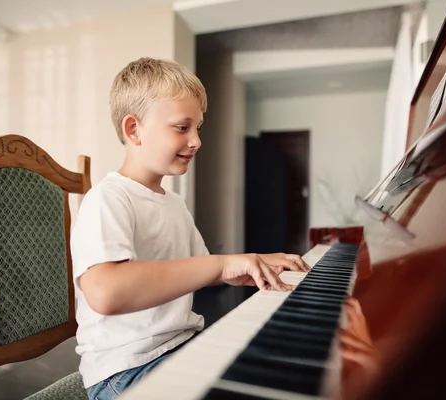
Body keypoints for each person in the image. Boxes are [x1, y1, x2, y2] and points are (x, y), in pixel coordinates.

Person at [70, 57, 310, 400]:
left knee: (282, 366)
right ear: (133, 129)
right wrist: (222, 265)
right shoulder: (108, 199)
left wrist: (248, 262)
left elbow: (199, 268)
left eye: (198, 128)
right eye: (182, 127)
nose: (196, 140)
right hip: (126, 371)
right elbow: (106, 292)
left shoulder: (174, 203)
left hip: (180, 346)